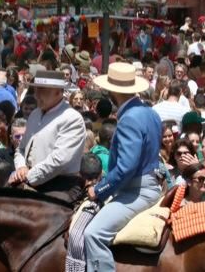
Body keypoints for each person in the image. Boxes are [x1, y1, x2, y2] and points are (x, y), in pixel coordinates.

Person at [78, 63, 161, 272]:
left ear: (113, 90)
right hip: (148, 184)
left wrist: (98, 190)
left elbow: (126, 168)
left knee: (93, 234)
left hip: (137, 190)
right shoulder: (149, 112)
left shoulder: (129, 118)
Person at [10, 70, 86, 201]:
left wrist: (29, 176)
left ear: (59, 92)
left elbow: (59, 160)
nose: (37, 95)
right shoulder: (34, 115)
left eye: (43, 91)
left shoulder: (72, 118)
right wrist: (21, 167)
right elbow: (22, 148)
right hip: (30, 176)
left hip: (61, 185)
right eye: (36, 90)